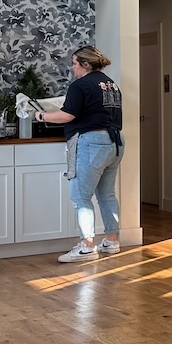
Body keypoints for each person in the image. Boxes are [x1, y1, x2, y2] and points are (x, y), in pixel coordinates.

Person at [36, 45, 125, 263]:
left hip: (91, 142)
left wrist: (42, 116)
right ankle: (111, 241)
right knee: (107, 194)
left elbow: (67, 115)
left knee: (81, 196)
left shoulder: (81, 85)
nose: (72, 67)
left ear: (86, 64)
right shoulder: (111, 85)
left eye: (75, 63)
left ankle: (86, 246)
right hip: (115, 142)